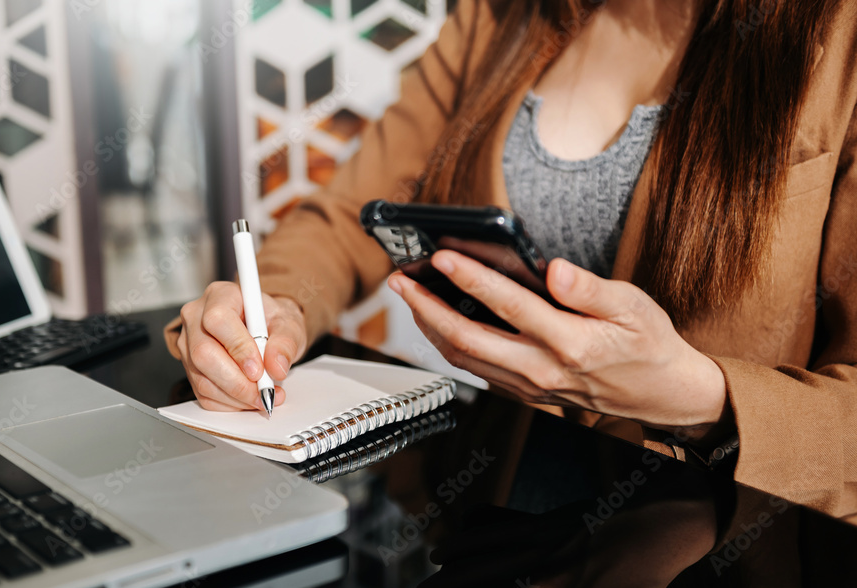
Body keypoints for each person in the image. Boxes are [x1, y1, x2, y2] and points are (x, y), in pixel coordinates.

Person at [166, 0, 857, 520]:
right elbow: (351, 217)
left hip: (719, 542)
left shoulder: (842, 41)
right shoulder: (500, 14)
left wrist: (704, 398)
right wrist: (274, 306)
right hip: (500, 512)